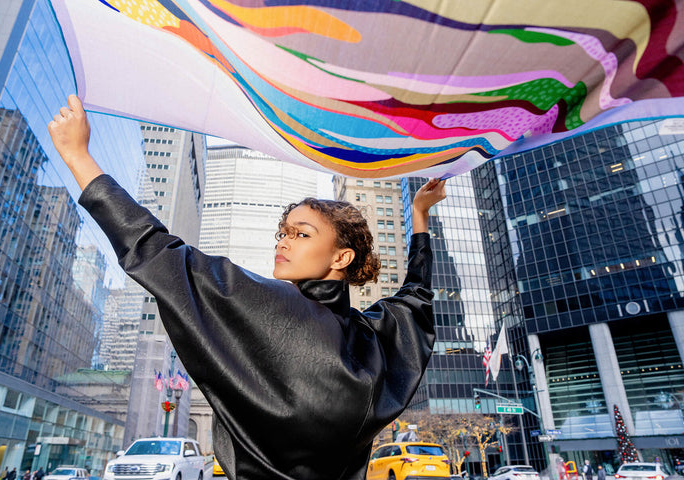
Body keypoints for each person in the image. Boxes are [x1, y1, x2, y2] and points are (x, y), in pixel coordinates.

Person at [48, 95, 447, 480]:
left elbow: (156, 250)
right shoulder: (378, 339)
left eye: (301, 234)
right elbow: (416, 296)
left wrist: (79, 157)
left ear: (341, 257)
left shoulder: (266, 305)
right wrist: (418, 218)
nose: (283, 242)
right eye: (283, 232)